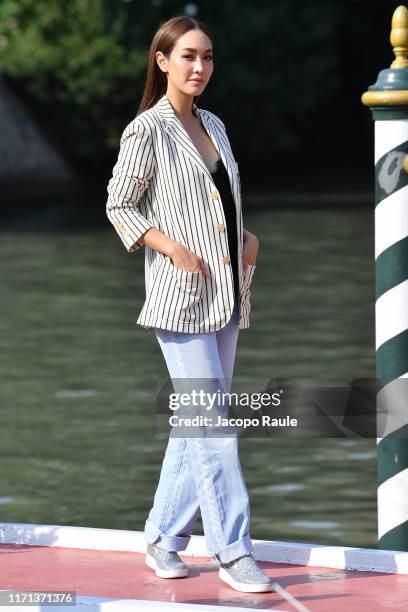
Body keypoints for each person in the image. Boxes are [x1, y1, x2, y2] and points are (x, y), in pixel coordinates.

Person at [106, 15, 271, 593]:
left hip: (228, 292)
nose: (199, 67)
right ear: (163, 61)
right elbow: (120, 206)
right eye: (187, 57)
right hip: (179, 300)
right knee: (214, 425)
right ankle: (232, 550)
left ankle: (161, 536)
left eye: (206, 57)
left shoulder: (217, 126)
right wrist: (171, 248)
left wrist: (245, 239)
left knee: (196, 424)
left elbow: (220, 199)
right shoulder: (146, 130)